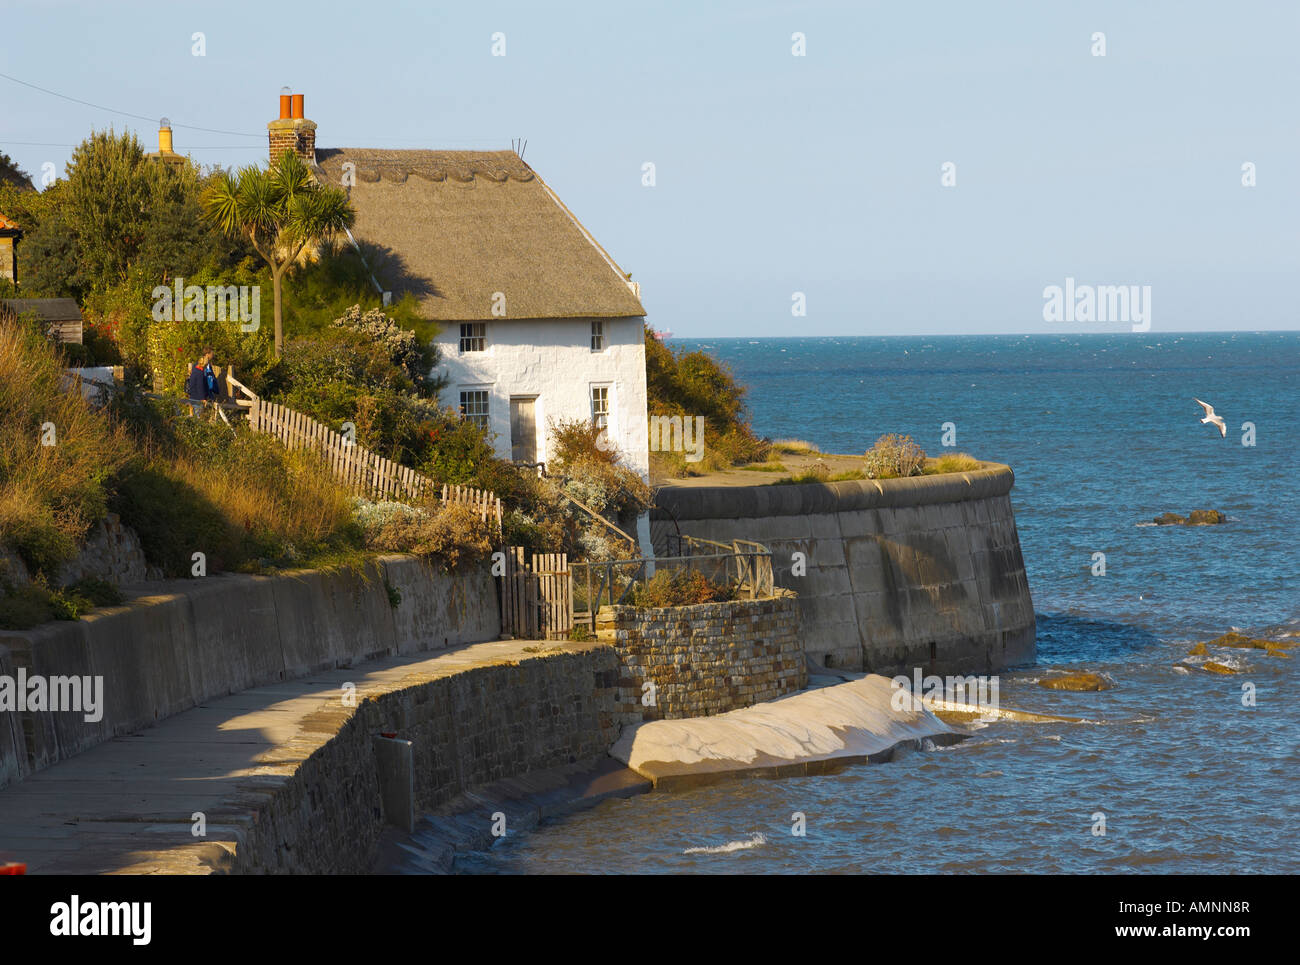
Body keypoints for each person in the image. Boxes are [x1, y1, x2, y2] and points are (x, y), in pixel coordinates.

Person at [186, 348, 218, 416]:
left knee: (193, 416)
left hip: (193, 396)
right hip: (198, 398)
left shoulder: (195, 370)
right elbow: (200, 386)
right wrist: (203, 398)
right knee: (198, 417)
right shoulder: (200, 372)